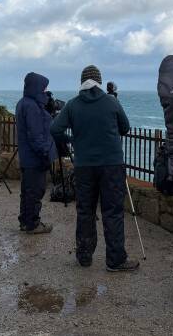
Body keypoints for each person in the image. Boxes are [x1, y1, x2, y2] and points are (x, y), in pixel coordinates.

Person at [51, 65, 138, 272]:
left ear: (82, 82)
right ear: (99, 81)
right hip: (111, 165)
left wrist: (72, 140)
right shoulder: (111, 101)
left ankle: (84, 255)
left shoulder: (72, 105)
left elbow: (55, 129)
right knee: (113, 211)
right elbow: (125, 128)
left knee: (85, 210)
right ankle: (115, 260)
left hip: (84, 166)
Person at [15, 72, 57, 234]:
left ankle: (25, 221)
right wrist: (45, 153)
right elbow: (36, 135)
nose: (45, 91)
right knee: (35, 191)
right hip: (35, 158)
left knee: (27, 191)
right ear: (37, 87)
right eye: (44, 88)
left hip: (26, 156)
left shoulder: (23, 103)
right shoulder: (32, 107)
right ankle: (32, 223)